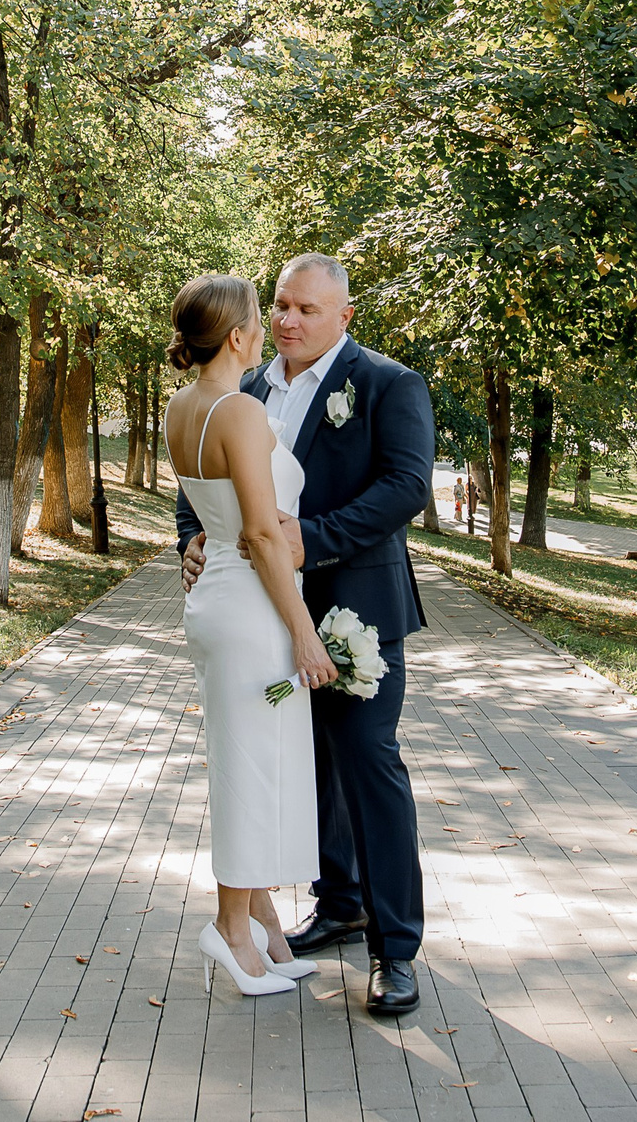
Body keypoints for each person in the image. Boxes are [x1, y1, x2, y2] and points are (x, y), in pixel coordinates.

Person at [178, 253, 436, 1018]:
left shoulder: (387, 383)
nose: (288, 320)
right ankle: (340, 901)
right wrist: (193, 539)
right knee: (305, 766)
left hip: (353, 608)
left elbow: (406, 485)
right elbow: (209, 488)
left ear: (344, 316)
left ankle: (395, 949)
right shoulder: (247, 387)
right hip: (264, 615)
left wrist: (308, 539)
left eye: (307, 309)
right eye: (281, 305)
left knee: (368, 763)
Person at [169, 273, 335, 997]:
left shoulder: (182, 406)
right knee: (250, 772)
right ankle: (230, 929)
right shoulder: (237, 410)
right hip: (253, 609)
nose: (268, 329)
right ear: (238, 336)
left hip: (217, 599)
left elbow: (215, 514)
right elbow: (264, 535)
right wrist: (305, 634)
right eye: (260, 319)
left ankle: (263, 923)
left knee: (252, 763)